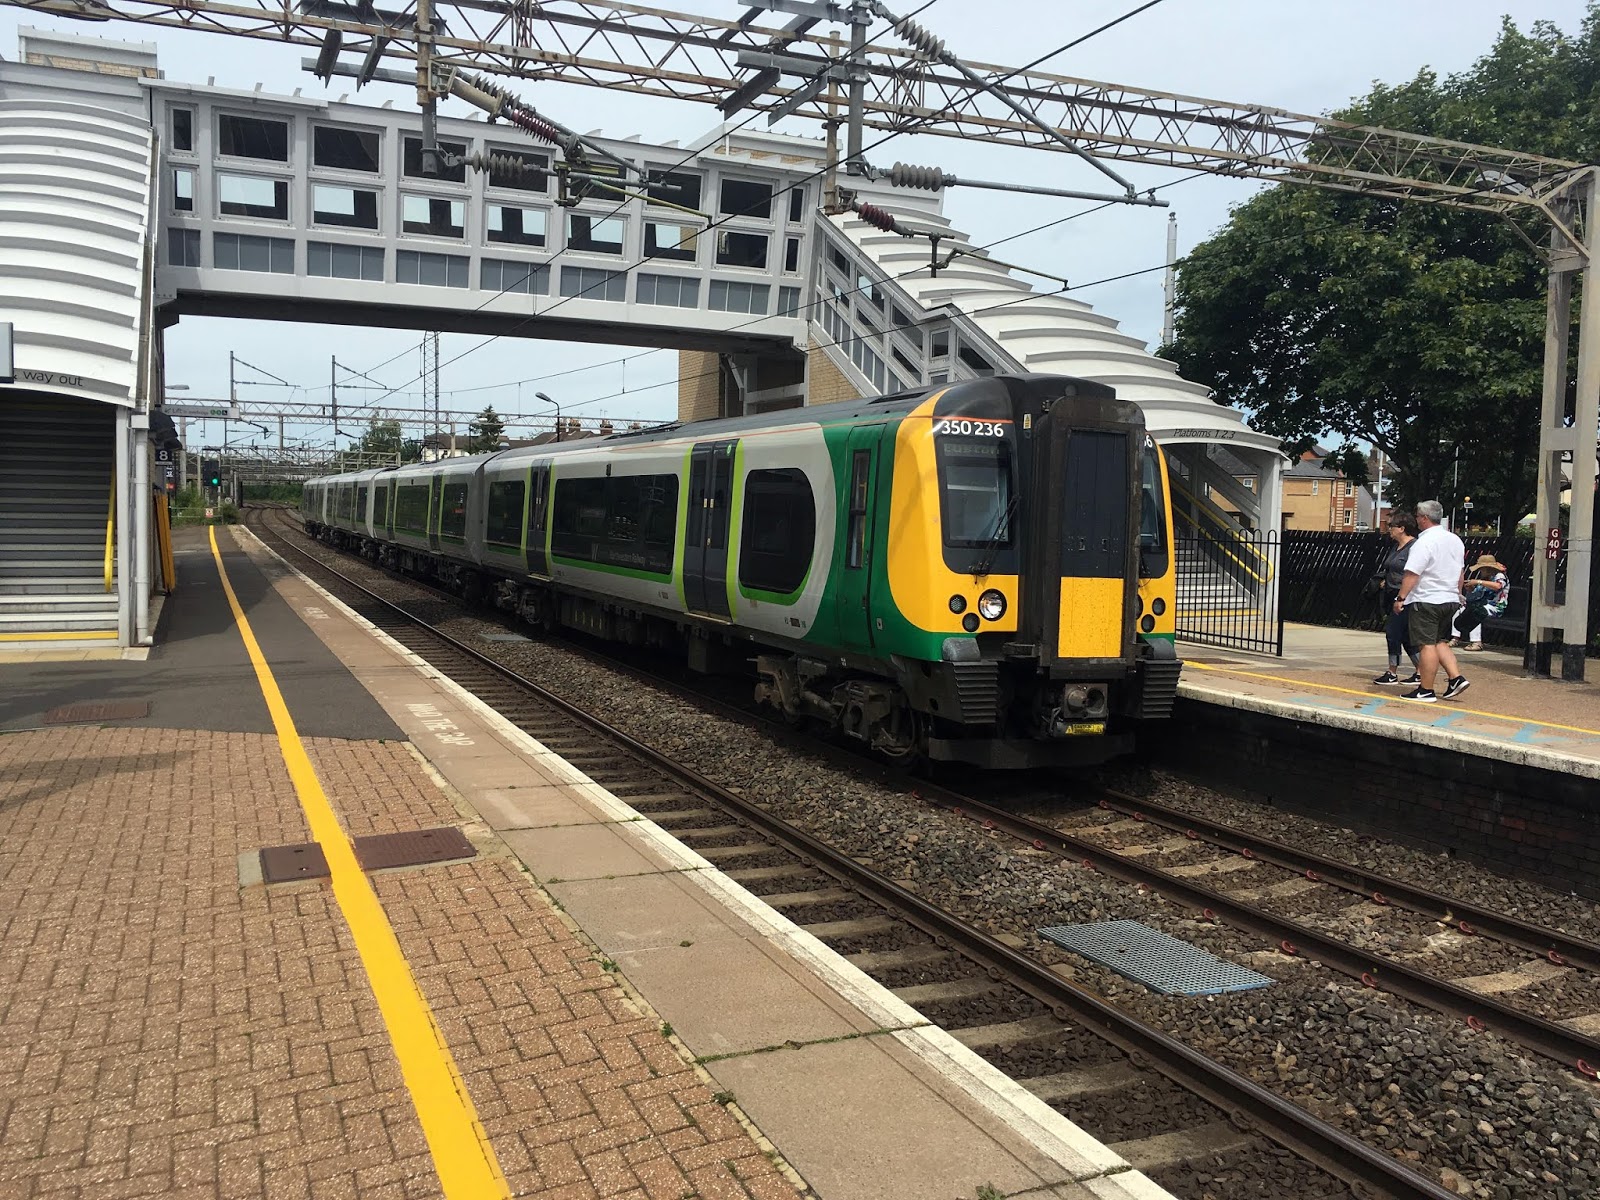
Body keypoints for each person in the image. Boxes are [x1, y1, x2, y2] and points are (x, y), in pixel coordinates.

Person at [1393, 500, 1470, 703]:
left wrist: (1401, 598)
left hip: (1427, 599)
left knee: (1425, 644)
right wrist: (1458, 594)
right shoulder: (1455, 540)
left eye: (1418, 516)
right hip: (1450, 598)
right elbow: (1460, 572)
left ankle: (1426, 689)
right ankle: (1455, 678)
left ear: (1425, 518)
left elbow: (1412, 573)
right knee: (1438, 640)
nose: (1417, 520)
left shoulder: (1424, 542)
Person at [1372, 511, 1422, 685]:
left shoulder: (1414, 547)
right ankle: (1421, 671)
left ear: (1402, 528)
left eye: (1391, 526)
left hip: (1405, 596)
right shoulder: (1396, 547)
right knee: (1406, 636)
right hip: (1391, 593)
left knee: (1393, 633)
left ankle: (1392, 672)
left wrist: (1402, 597)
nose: (1389, 529)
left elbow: (1414, 573)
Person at [1453, 554, 1510, 651]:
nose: (1480, 571)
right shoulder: (1485, 579)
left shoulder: (1499, 576)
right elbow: (1477, 594)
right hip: (1482, 605)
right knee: (1461, 610)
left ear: (1487, 569)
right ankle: (1455, 638)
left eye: (1481, 569)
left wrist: (1478, 582)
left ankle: (1477, 642)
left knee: (1476, 613)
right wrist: (1471, 589)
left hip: (1495, 608)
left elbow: (1498, 586)